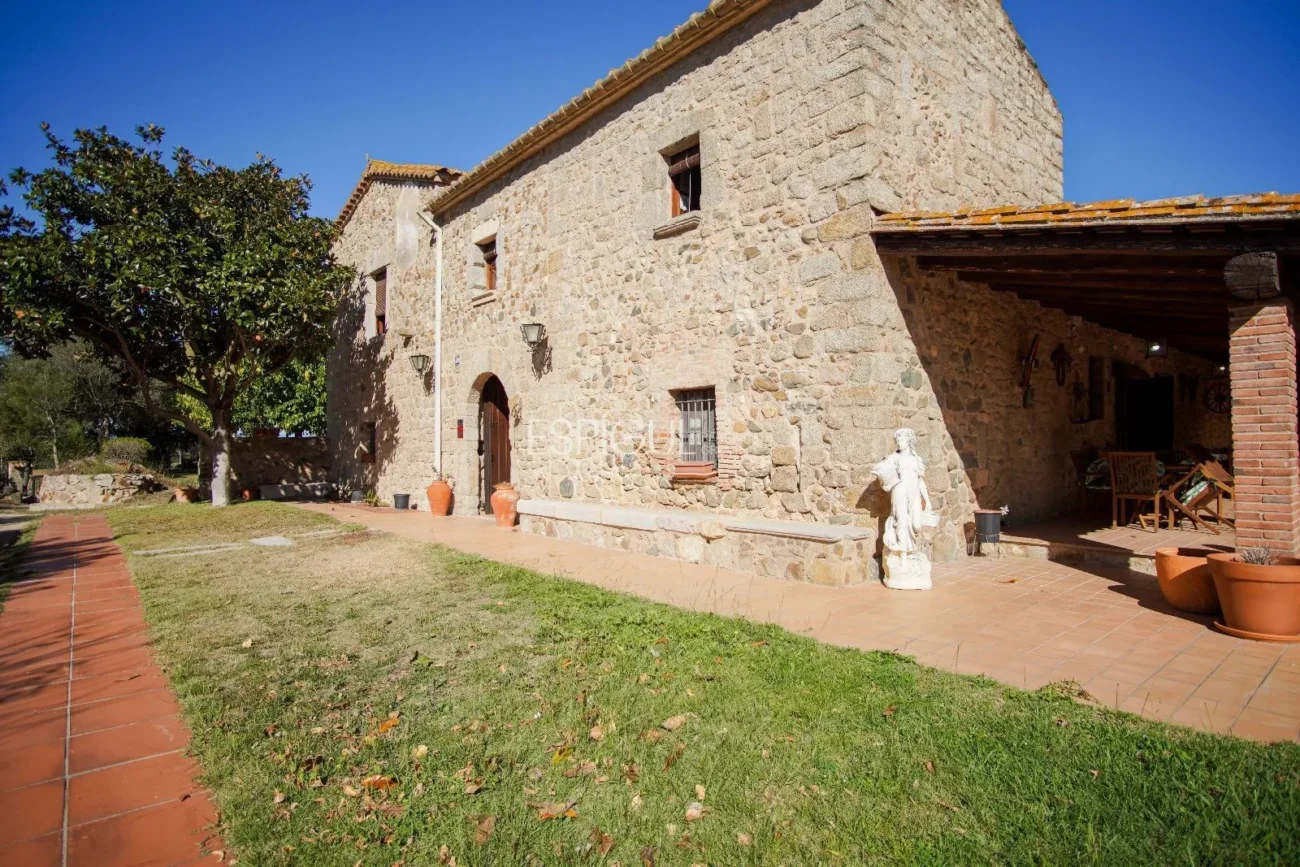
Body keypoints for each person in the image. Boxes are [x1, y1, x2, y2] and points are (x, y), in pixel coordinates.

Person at [874, 428, 931, 555]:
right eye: (897, 441)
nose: (899, 443)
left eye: (901, 440)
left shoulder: (916, 459)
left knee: (916, 526)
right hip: (899, 491)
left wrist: (927, 501)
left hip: (914, 493)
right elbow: (883, 473)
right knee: (902, 522)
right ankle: (903, 555)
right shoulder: (893, 458)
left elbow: (920, 482)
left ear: (909, 441)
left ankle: (910, 551)